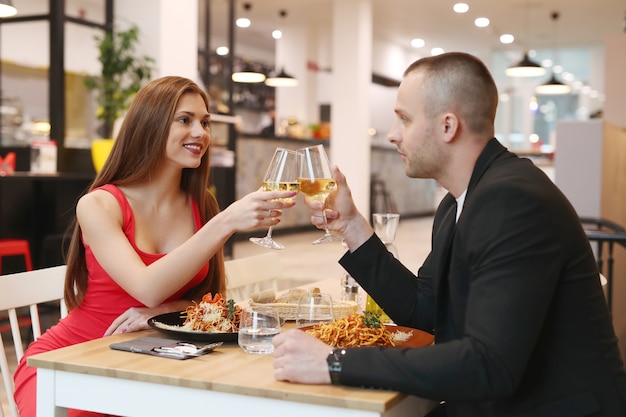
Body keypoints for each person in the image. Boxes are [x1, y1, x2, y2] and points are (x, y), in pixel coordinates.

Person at [272, 52, 626, 416]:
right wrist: (352, 228)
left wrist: (335, 362)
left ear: (447, 126)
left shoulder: (512, 200)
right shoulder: (459, 202)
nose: (393, 135)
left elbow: (489, 364)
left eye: (404, 120)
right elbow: (425, 312)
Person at [13, 76, 296, 417]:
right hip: (72, 360)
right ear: (151, 124)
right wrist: (225, 223)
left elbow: (211, 302)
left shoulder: (201, 204)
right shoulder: (100, 205)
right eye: (185, 119)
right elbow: (146, 288)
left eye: (205, 122)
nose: (201, 133)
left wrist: (162, 314)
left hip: (155, 360)